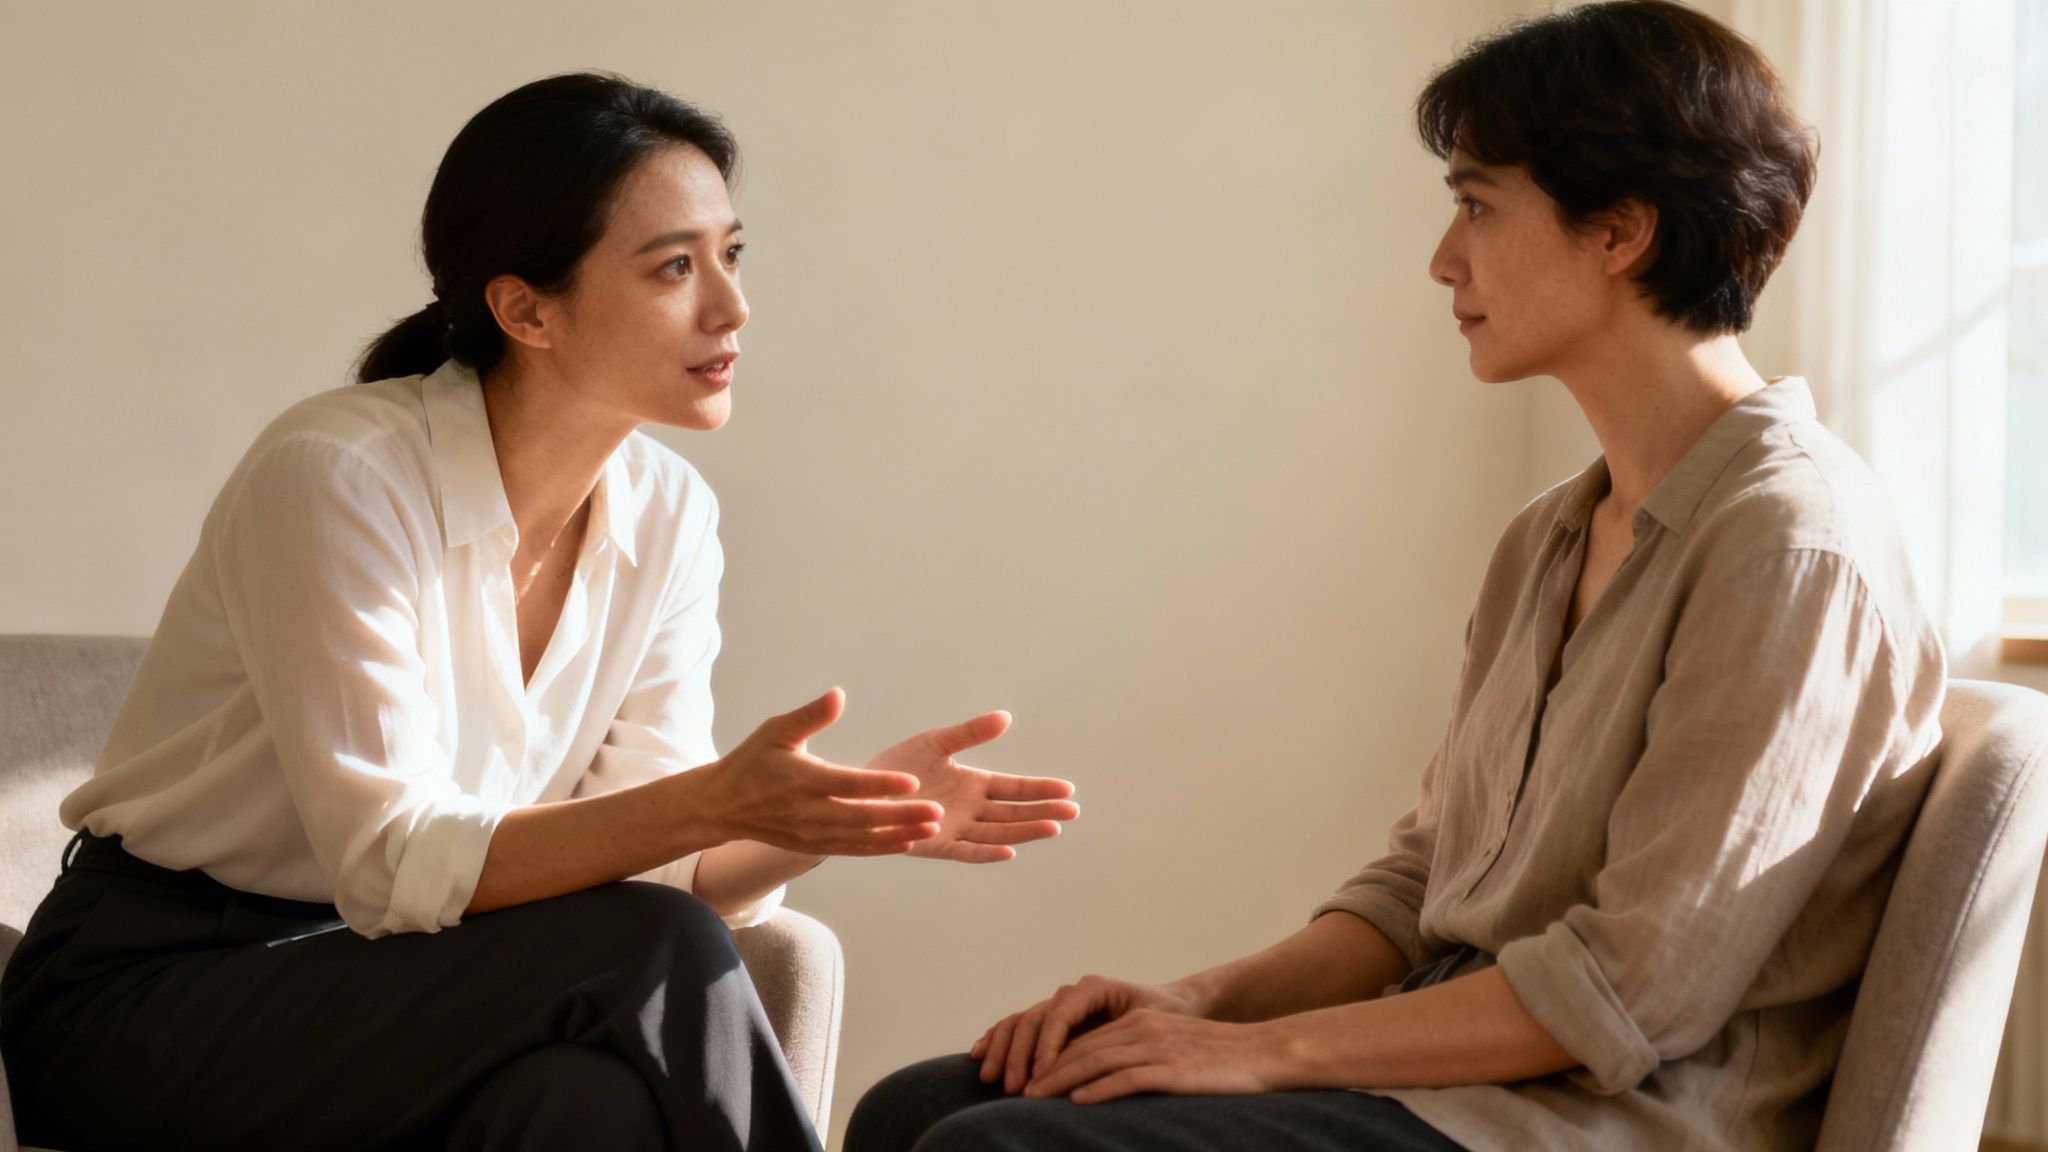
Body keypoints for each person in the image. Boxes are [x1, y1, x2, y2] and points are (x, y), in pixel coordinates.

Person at [846, 3, 1945, 1150]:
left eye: (1476, 205)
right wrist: (1193, 1006)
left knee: (997, 1150)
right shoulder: (1547, 539)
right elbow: (1426, 884)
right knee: (917, 1108)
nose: (1441, 259)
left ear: (1617, 231)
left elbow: (1630, 988)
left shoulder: (1790, 544)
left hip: (1604, 1123)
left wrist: (1249, 1055)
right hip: (1442, 1084)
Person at [0, 72, 1079, 1151]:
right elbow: (391, 860)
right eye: (674, 267)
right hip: (156, 998)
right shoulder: (337, 475)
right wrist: (716, 801)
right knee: (647, 946)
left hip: (410, 987)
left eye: (730, 254)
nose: (731, 307)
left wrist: (823, 823)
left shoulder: (669, 516)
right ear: (526, 309)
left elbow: (653, 852)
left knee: (582, 1103)